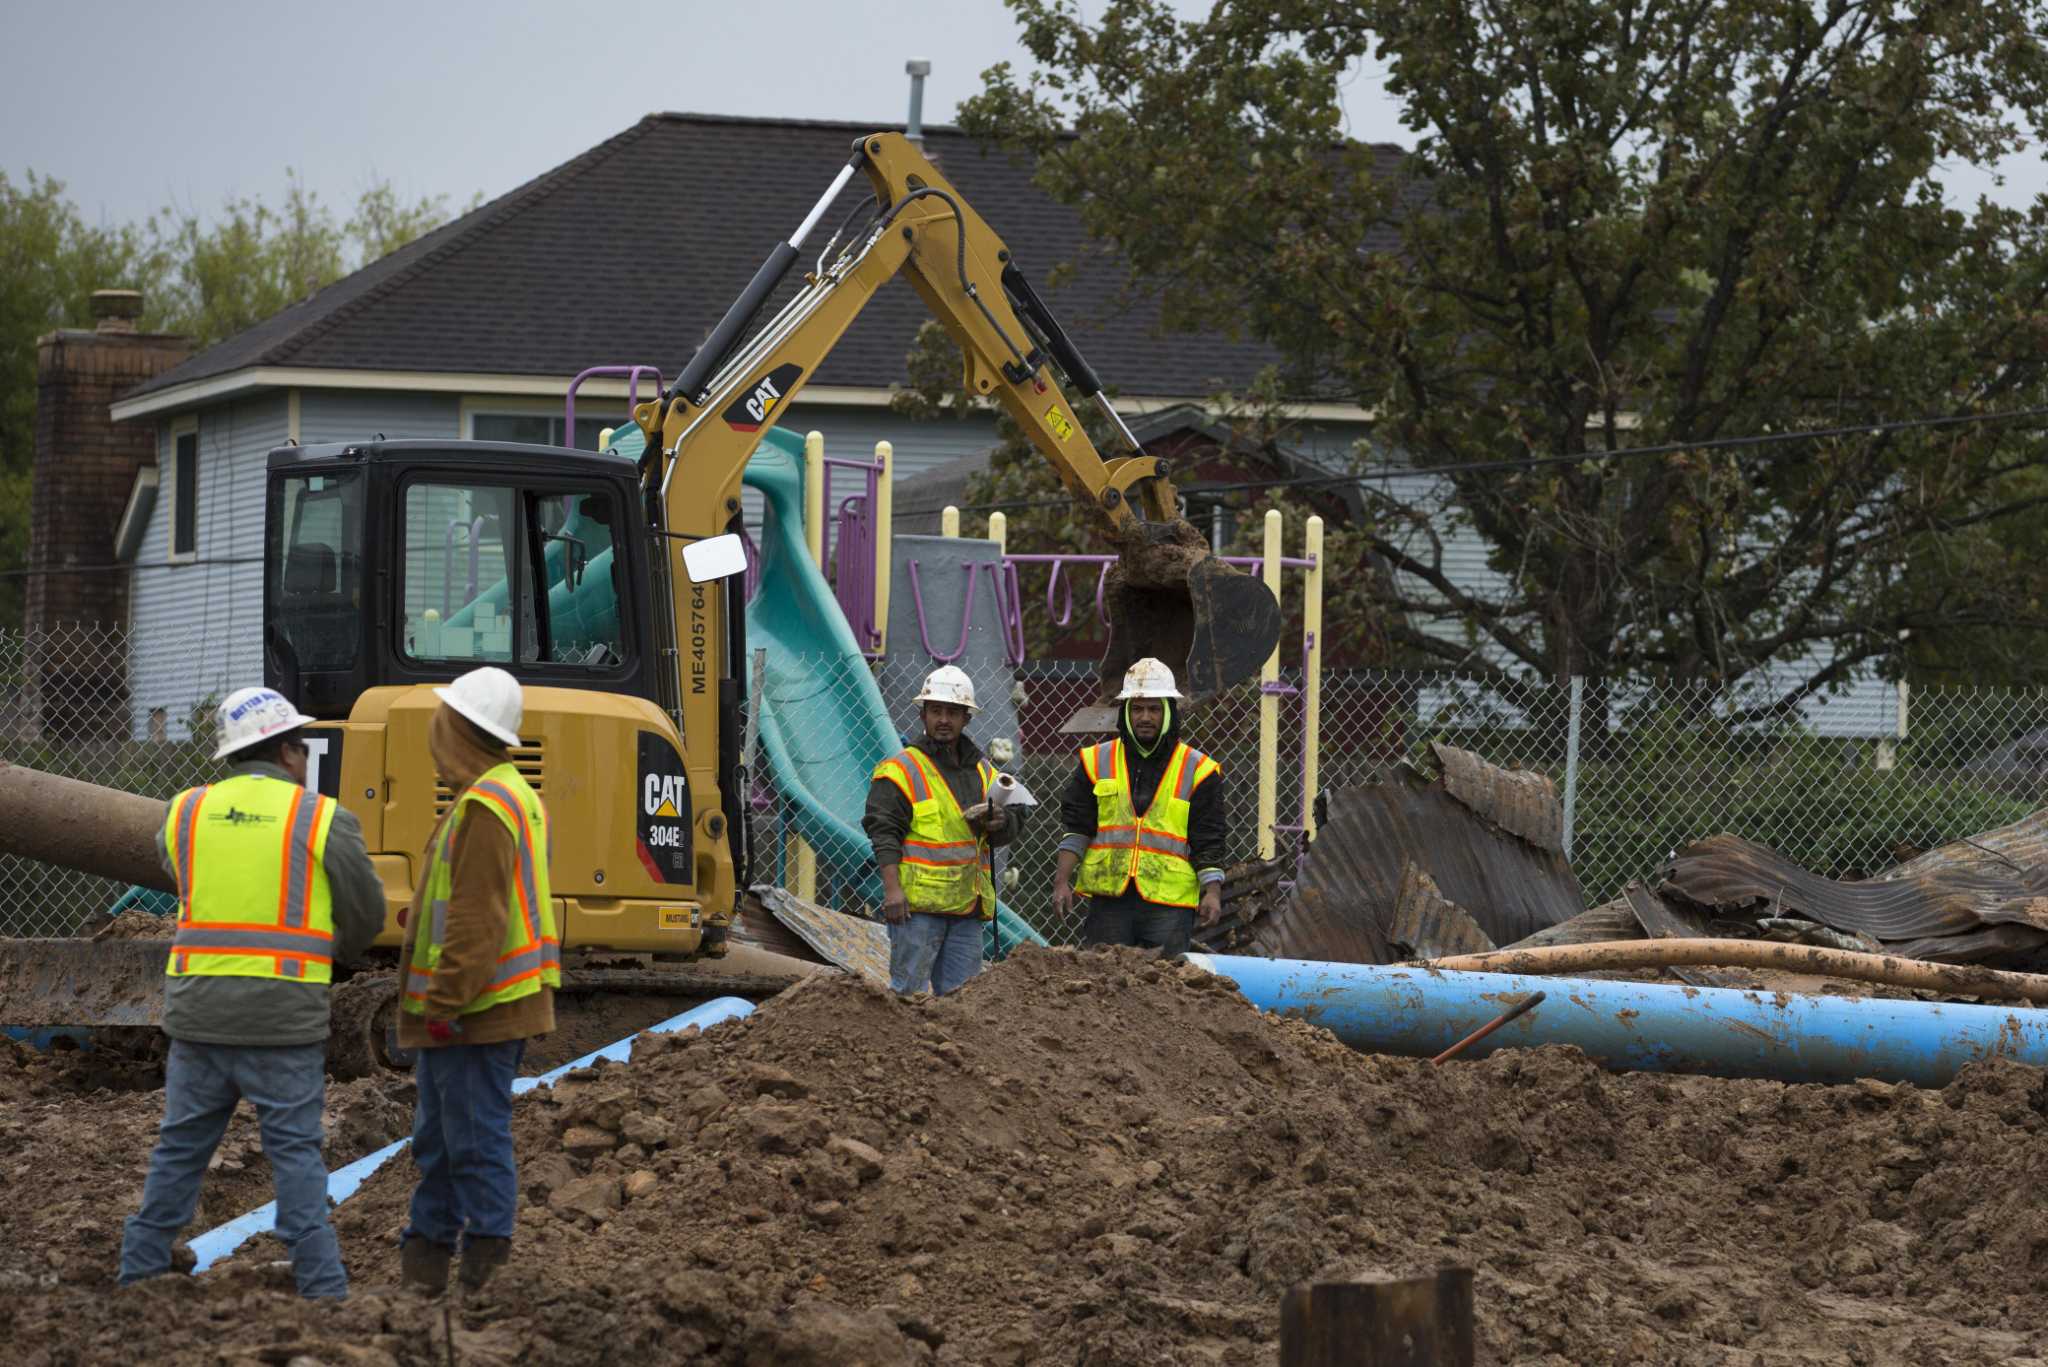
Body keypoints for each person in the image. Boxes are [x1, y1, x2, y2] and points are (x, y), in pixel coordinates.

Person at [119, 686, 384, 1299]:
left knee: (181, 1146)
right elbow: (366, 913)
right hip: (283, 1017)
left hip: (200, 1011)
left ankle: (138, 1272)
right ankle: (321, 1287)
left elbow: (180, 871)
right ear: (290, 753)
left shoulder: (185, 812)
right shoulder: (321, 818)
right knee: (294, 1151)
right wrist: (337, 952)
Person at [397, 666, 559, 1296]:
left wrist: (445, 999)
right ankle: (428, 1265)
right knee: (439, 1143)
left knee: (470, 1140)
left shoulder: (489, 806)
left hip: (478, 1010)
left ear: (458, 730)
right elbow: (476, 903)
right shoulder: (501, 794)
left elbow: (478, 918)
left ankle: (487, 1274)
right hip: (474, 1004)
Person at [863, 665, 1025, 995]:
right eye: (936, 711)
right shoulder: (901, 770)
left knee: (961, 1003)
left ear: (967, 718)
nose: (943, 720)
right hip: (916, 909)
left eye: (952, 712)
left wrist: (1001, 822)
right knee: (908, 997)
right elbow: (884, 833)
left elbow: (1017, 812)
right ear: (923, 715)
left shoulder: (982, 769)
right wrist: (892, 891)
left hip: (966, 907)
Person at [1052, 657, 1227, 956]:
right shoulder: (1096, 762)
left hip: (1169, 904)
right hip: (1110, 898)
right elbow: (1078, 827)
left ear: (1169, 712)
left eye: (1155, 709)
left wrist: (1212, 892)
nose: (1145, 717)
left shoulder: (1199, 769)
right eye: (1138, 708)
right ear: (1125, 713)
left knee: (1165, 986)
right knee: (1104, 984)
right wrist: (1061, 882)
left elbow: (1208, 838)